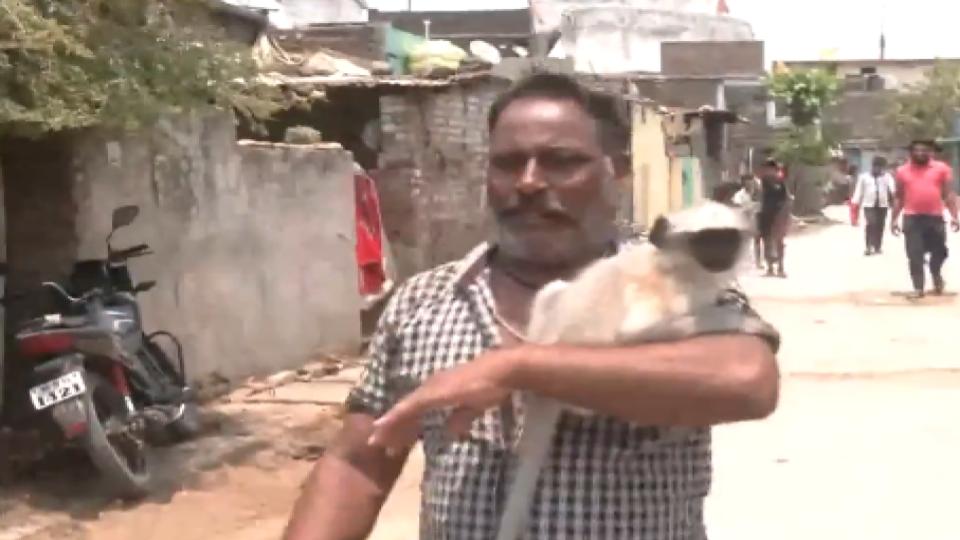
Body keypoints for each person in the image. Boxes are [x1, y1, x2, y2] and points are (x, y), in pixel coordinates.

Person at [281, 73, 780, 540]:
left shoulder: (683, 277)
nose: (529, 182)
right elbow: (358, 465)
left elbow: (744, 381)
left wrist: (520, 366)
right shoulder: (423, 302)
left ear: (618, 171)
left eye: (562, 161)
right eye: (507, 163)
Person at [891, 139, 960, 298]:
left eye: (924, 150)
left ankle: (936, 274)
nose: (920, 153)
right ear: (911, 153)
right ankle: (918, 287)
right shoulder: (902, 171)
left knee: (940, 252)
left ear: (930, 152)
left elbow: (949, 194)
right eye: (917, 150)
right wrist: (894, 219)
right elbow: (899, 197)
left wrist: (955, 216)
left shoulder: (941, 169)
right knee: (914, 254)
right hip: (912, 218)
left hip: (935, 217)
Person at [850, 156, 896, 255]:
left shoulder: (887, 177)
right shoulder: (864, 177)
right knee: (871, 223)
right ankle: (868, 246)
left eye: (880, 167)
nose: (878, 169)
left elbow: (893, 189)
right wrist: (855, 204)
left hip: (882, 205)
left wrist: (895, 197)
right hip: (869, 205)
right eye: (876, 167)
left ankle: (878, 246)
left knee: (880, 225)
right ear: (872, 166)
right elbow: (859, 191)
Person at [757, 159, 791, 277]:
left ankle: (780, 267)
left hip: (777, 214)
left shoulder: (779, 181)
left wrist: (784, 215)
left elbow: (785, 199)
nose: (765, 171)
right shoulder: (763, 181)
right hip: (766, 214)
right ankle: (770, 268)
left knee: (778, 242)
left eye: (767, 169)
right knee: (767, 241)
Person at [733, 173, 764, 268]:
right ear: (743, 183)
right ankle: (742, 262)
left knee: (758, 242)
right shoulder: (739, 195)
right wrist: (748, 208)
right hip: (744, 222)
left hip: (756, 221)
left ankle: (758, 262)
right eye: (747, 183)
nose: (750, 184)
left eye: (751, 182)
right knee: (744, 243)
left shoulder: (758, 194)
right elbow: (737, 208)